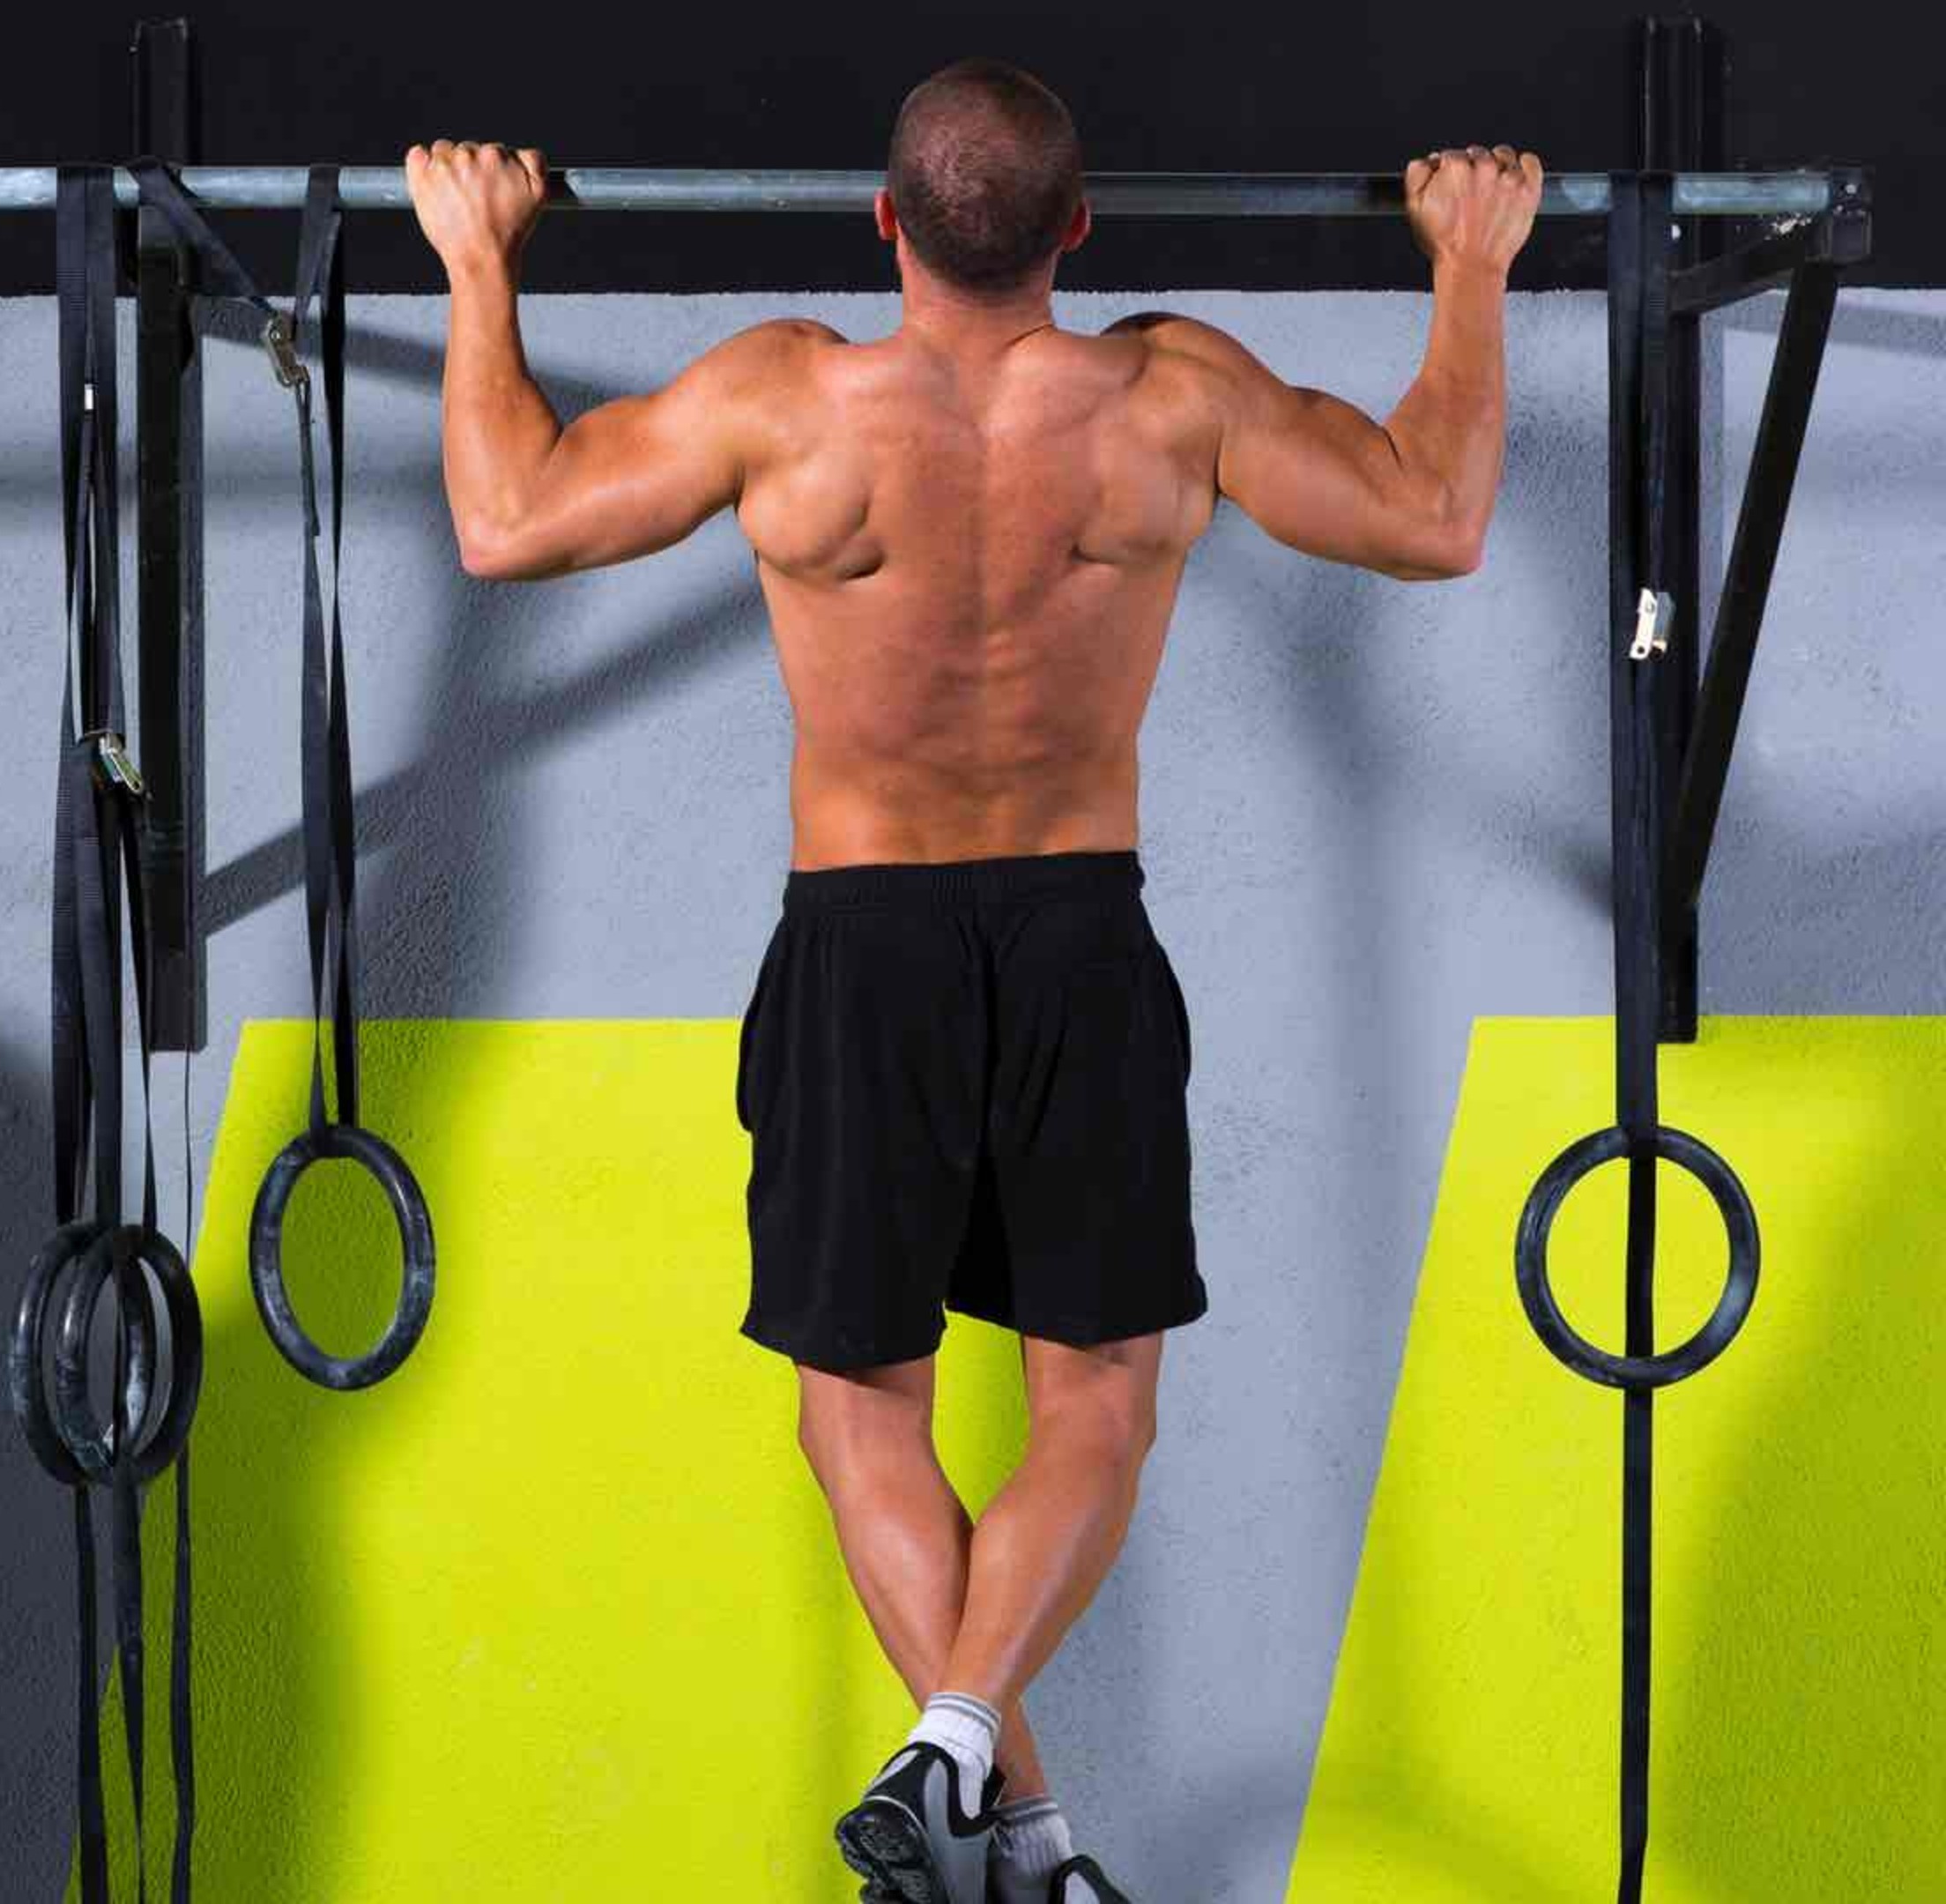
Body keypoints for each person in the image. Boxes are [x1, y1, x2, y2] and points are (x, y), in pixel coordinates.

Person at [406, 60, 1538, 1904]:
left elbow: (506, 520)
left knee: (860, 1412)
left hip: (867, 936)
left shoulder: (790, 405)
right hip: (1081, 929)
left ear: (885, 223)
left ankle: (985, 1788)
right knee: (1095, 1403)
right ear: (1079, 231)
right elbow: (1434, 514)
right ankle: (1002, 1806)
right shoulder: (1170, 398)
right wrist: (1469, 264)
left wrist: (476, 262)